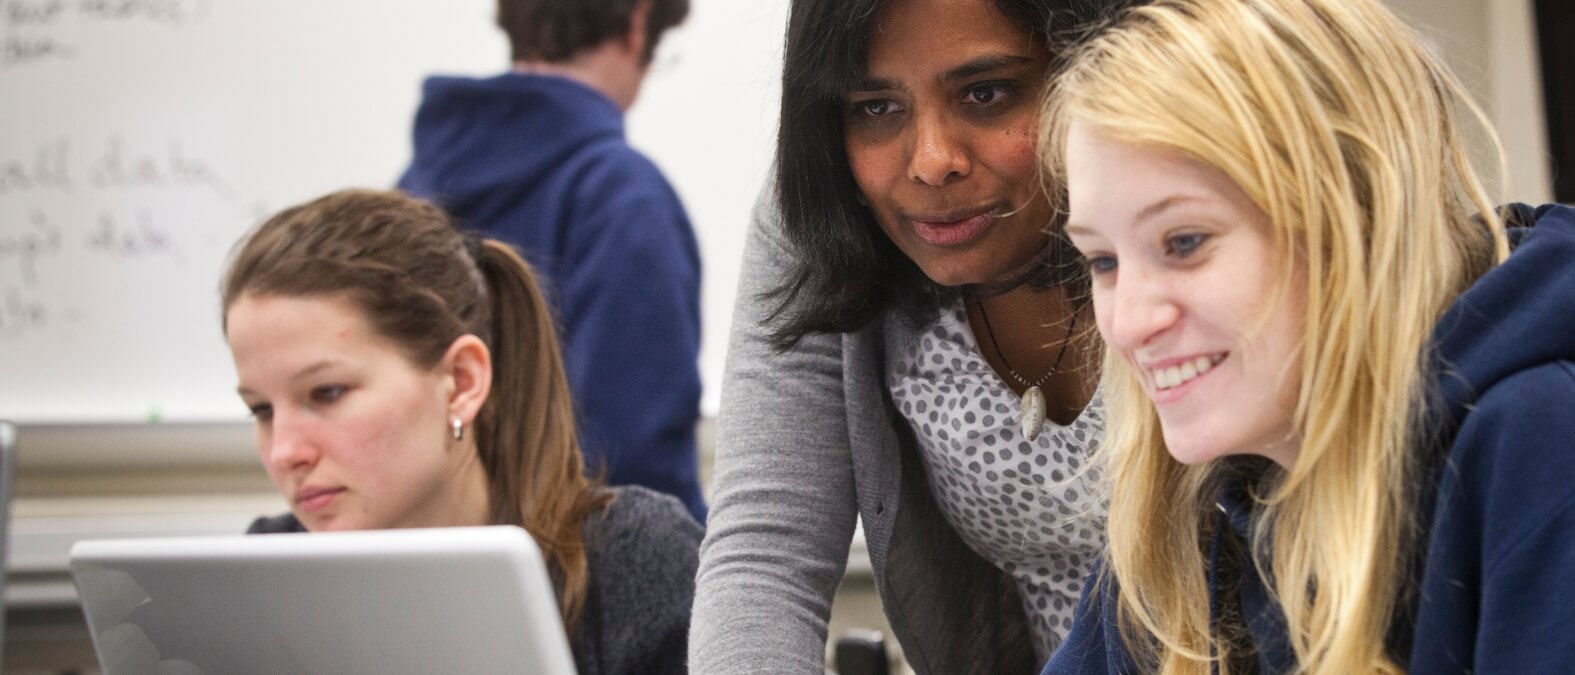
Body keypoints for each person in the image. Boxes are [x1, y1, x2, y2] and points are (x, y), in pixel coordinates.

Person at [1038, 0, 1575, 672]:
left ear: (1354, 220)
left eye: (1184, 242)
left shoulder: (1541, 439)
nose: (1128, 322)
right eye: (1102, 261)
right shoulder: (1186, 507)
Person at [689, 1, 1136, 672]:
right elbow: (764, 558)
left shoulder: (1189, 199)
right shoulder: (827, 208)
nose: (932, 161)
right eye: (874, 107)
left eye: (985, 94)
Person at [222, 189, 702, 675]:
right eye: (261, 410)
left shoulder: (629, 563)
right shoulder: (262, 576)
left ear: (462, 383)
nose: (284, 452)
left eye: (327, 393)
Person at [396, 0, 706, 523]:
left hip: (433, 567)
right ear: (637, 22)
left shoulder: (408, 194)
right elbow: (636, 463)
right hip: (574, 581)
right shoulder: (623, 196)